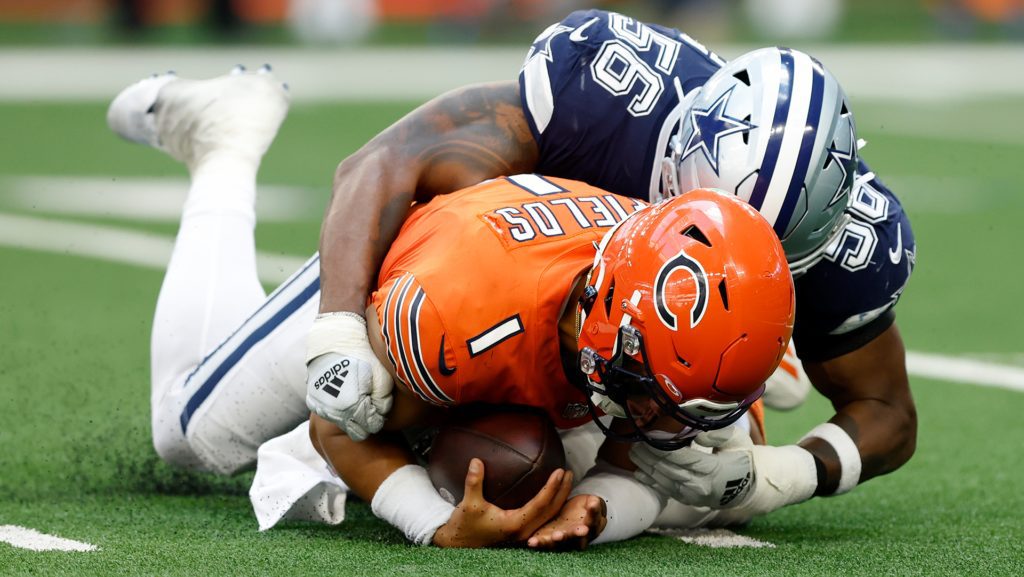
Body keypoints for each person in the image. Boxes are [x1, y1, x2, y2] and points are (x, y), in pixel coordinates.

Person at [107, 65, 795, 548]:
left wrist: (603, 508)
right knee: (187, 433)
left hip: (530, 331)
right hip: (403, 270)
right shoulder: (460, 321)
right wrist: (431, 521)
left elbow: (684, 441)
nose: (665, 421)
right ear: (606, 327)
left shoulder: (687, 318)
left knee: (690, 480)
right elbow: (336, 427)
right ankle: (224, 141)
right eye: (656, 398)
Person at [307, 8, 917, 519]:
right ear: (677, 163)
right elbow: (385, 160)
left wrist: (776, 475)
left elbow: (890, 412)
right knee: (236, 425)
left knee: (697, 480)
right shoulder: (612, 101)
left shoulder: (854, 248)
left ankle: (752, 344)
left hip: (623, 352)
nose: (716, 254)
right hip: (474, 267)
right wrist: (339, 328)